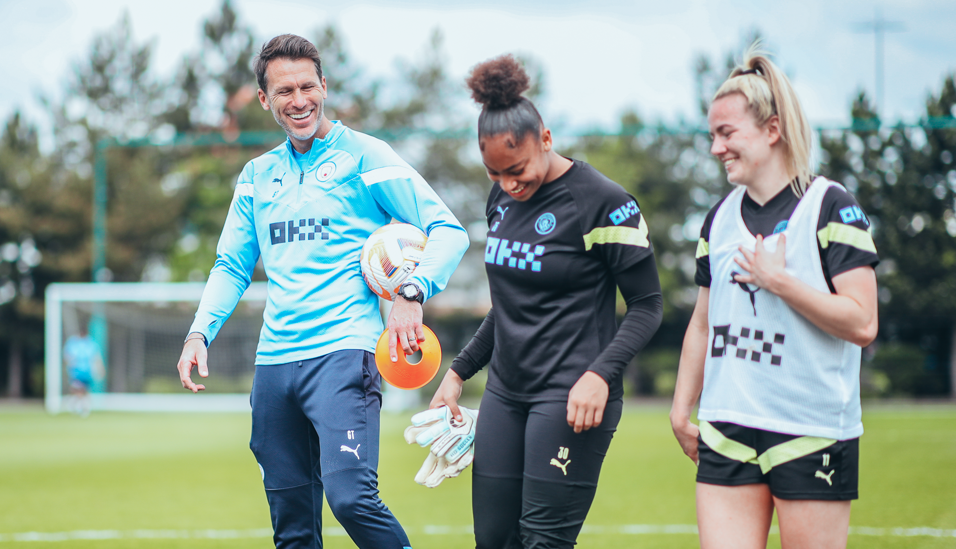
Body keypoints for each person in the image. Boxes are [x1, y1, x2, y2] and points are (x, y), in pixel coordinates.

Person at [175, 34, 469, 549]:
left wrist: (411, 291)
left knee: (352, 498)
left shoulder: (365, 156)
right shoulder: (255, 176)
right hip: (274, 364)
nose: (299, 100)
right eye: (284, 91)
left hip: (344, 353)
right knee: (291, 527)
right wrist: (200, 331)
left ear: (325, 87)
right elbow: (231, 264)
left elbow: (448, 229)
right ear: (265, 100)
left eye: (308, 86)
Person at [429, 55, 664, 549]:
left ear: (547, 138)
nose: (509, 185)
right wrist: (458, 373)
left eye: (516, 170)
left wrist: (601, 375)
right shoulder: (501, 201)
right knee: (494, 541)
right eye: (495, 174)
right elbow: (509, 306)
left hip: (571, 394)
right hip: (505, 394)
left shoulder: (604, 202)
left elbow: (647, 305)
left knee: (542, 543)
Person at [669, 45, 879, 549]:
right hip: (727, 428)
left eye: (727, 133)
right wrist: (682, 406)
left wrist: (779, 281)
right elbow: (702, 322)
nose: (716, 148)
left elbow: (863, 322)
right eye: (713, 135)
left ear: (772, 130)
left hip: (811, 430)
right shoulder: (719, 219)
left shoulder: (830, 207)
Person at [63, 324, 104, 417]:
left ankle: (80, 407)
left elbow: (96, 357)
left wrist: (100, 369)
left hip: (86, 371)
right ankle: (80, 407)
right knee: (78, 390)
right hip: (77, 371)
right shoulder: (73, 342)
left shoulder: (90, 343)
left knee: (82, 390)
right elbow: (68, 356)